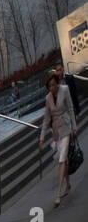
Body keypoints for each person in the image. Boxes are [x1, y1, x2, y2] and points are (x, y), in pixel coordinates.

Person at [41, 72, 78, 207]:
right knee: (63, 160)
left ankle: (58, 193)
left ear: (57, 83)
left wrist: (74, 127)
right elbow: (46, 119)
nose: (52, 88)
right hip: (56, 132)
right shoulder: (48, 98)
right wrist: (42, 137)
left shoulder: (65, 89)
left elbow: (70, 108)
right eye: (50, 86)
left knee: (62, 159)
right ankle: (67, 184)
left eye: (54, 84)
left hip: (67, 127)